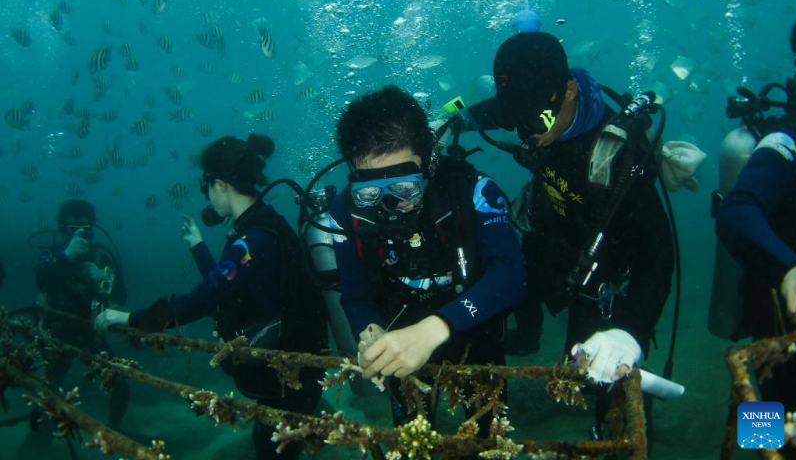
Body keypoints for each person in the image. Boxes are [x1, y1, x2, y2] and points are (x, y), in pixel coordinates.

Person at [444, 32, 676, 390]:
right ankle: (530, 331)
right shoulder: (530, 103)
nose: (527, 133)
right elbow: (495, 112)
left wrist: (631, 333)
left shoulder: (615, 154)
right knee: (506, 282)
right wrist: (447, 124)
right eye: (517, 117)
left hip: (601, 262)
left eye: (535, 119)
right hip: (552, 235)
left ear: (568, 92)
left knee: (592, 369)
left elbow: (658, 250)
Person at [95, 134, 328, 460]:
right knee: (273, 445)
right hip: (291, 372)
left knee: (273, 450)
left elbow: (207, 296)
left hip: (288, 379)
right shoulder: (261, 226)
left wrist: (132, 319)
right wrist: (197, 244)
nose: (207, 195)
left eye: (206, 186)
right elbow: (226, 286)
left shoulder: (253, 240)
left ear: (219, 184)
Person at [328, 85, 526, 432]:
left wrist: (437, 327)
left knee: (487, 438)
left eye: (405, 189)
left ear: (428, 162)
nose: (390, 206)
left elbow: (511, 275)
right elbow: (355, 294)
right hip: (399, 345)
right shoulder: (345, 212)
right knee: (409, 444)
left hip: (476, 341)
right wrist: (369, 330)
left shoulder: (474, 191)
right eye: (370, 192)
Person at [715, 20, 796, 419]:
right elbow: (737, 210)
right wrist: (789, 270)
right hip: (781, 332)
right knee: (768, 422)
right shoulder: (784, 141)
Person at [22, 200, 129, 453]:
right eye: (73, 227)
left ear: (93, 229)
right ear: (63, 229)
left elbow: (121, 296)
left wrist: (105, 281)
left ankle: (114, 439)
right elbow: (43, 282)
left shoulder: (101, 256)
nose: (80, 232)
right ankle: (35, 447)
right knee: (48, 396)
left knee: (121, 387)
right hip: (55, 335)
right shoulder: (51, 254)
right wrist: (67, 257)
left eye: (86, 227)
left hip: (90, 335)